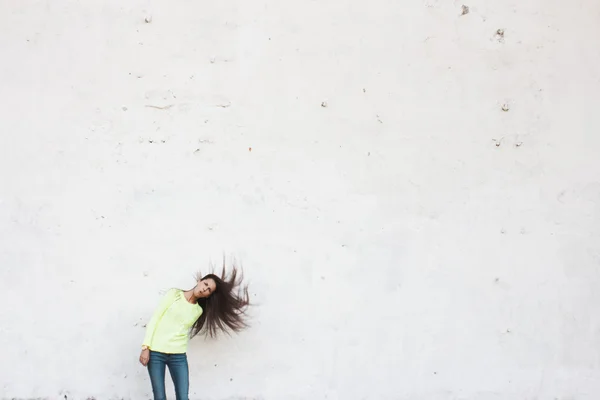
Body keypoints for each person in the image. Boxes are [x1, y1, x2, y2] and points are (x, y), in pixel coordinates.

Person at [139, 264, 249, 400]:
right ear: (199, 281)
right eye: (205, 284)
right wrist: (146, 347)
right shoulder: (174, 294)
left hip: (178, 356)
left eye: (209, 290)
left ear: (209, 295)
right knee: (160, 397)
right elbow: (155, 319)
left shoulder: (198, 311)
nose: (205, 289)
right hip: (156, 352)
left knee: (183, 397)